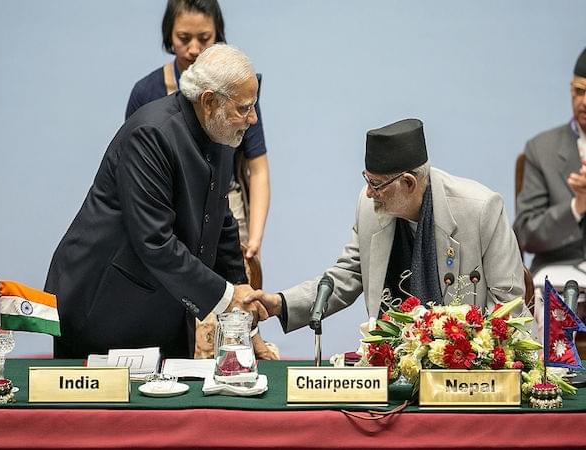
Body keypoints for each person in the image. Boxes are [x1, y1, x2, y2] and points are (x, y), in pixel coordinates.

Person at [45, 44, 268, 359]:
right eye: (245, 107)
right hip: (103, 306)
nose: (254, 119)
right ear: (209, 101)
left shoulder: (219, 131)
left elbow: (222, 225)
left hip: (160, 306)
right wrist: (227, 296)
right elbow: (155, 241)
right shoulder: (152, 134)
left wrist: (246, 316)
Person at [245, 119, 525, 332]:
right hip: (396, 357)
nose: (368, 193)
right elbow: (347, 274)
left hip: (467, 367)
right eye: (367, 180)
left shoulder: (481, 209)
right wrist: (282, 303)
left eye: (376, 185)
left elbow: (507, 303)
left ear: (408, 183)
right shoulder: (370, 208)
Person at [126, 0, 269, 259]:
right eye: (183, 38)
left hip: (225, 206)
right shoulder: (146, 93)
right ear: (169, 34)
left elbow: (258, 169)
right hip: (165, 206)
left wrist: (254, 238)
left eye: (204, 38)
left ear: (218, 34)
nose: (194, 49)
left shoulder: (240, 91)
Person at [513, 47, 586, 337]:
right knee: (544, 301)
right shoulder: (541, 150)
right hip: (559, 270)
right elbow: (527, 233)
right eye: (579, 91)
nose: (584, 102)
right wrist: (576, 206)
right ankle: (549, 379)